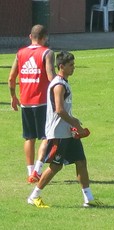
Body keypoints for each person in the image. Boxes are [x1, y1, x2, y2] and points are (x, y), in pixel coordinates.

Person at [27, 51, 102, 208]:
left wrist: (73, 124)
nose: (73, 68)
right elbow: (59, 110)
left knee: (81, 162)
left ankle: (88, 199)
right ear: (61, 66)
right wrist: (76, 124)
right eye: (71, 65)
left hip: (67, 132)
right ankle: (34, 196)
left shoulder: (63, 82)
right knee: (56, 166)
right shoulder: (59, 85)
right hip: (59, 133)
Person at [8, 24, 55, 183]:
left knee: (29, 138)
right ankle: (37, 170)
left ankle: (30, 172)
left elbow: (11, 78)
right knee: (47, 136)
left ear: (30, 36)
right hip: (42, 102)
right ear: (45, 38)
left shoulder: (20, 53)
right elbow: (51, 77)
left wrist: (13, 97)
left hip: (26, 102)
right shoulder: (47, 53)